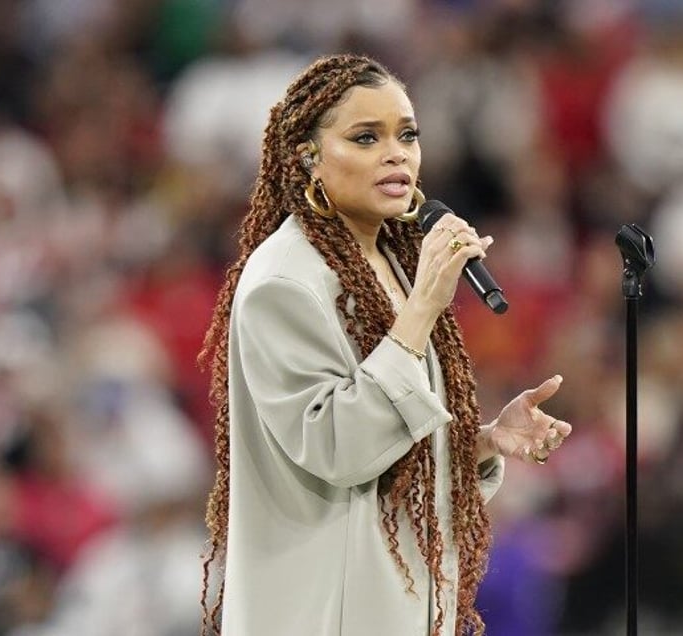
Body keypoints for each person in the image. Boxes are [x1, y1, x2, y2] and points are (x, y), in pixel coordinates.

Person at [197, 53, 572, 636]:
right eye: (366, 137)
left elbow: (385, 449)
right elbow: (337, 448)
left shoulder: (390, 262)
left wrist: (478, 442)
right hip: (320, 612)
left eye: (407, 135)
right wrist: (423, 307)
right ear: (308, 158)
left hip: (392, 602)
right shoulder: (283, 281)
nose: (396, 153)